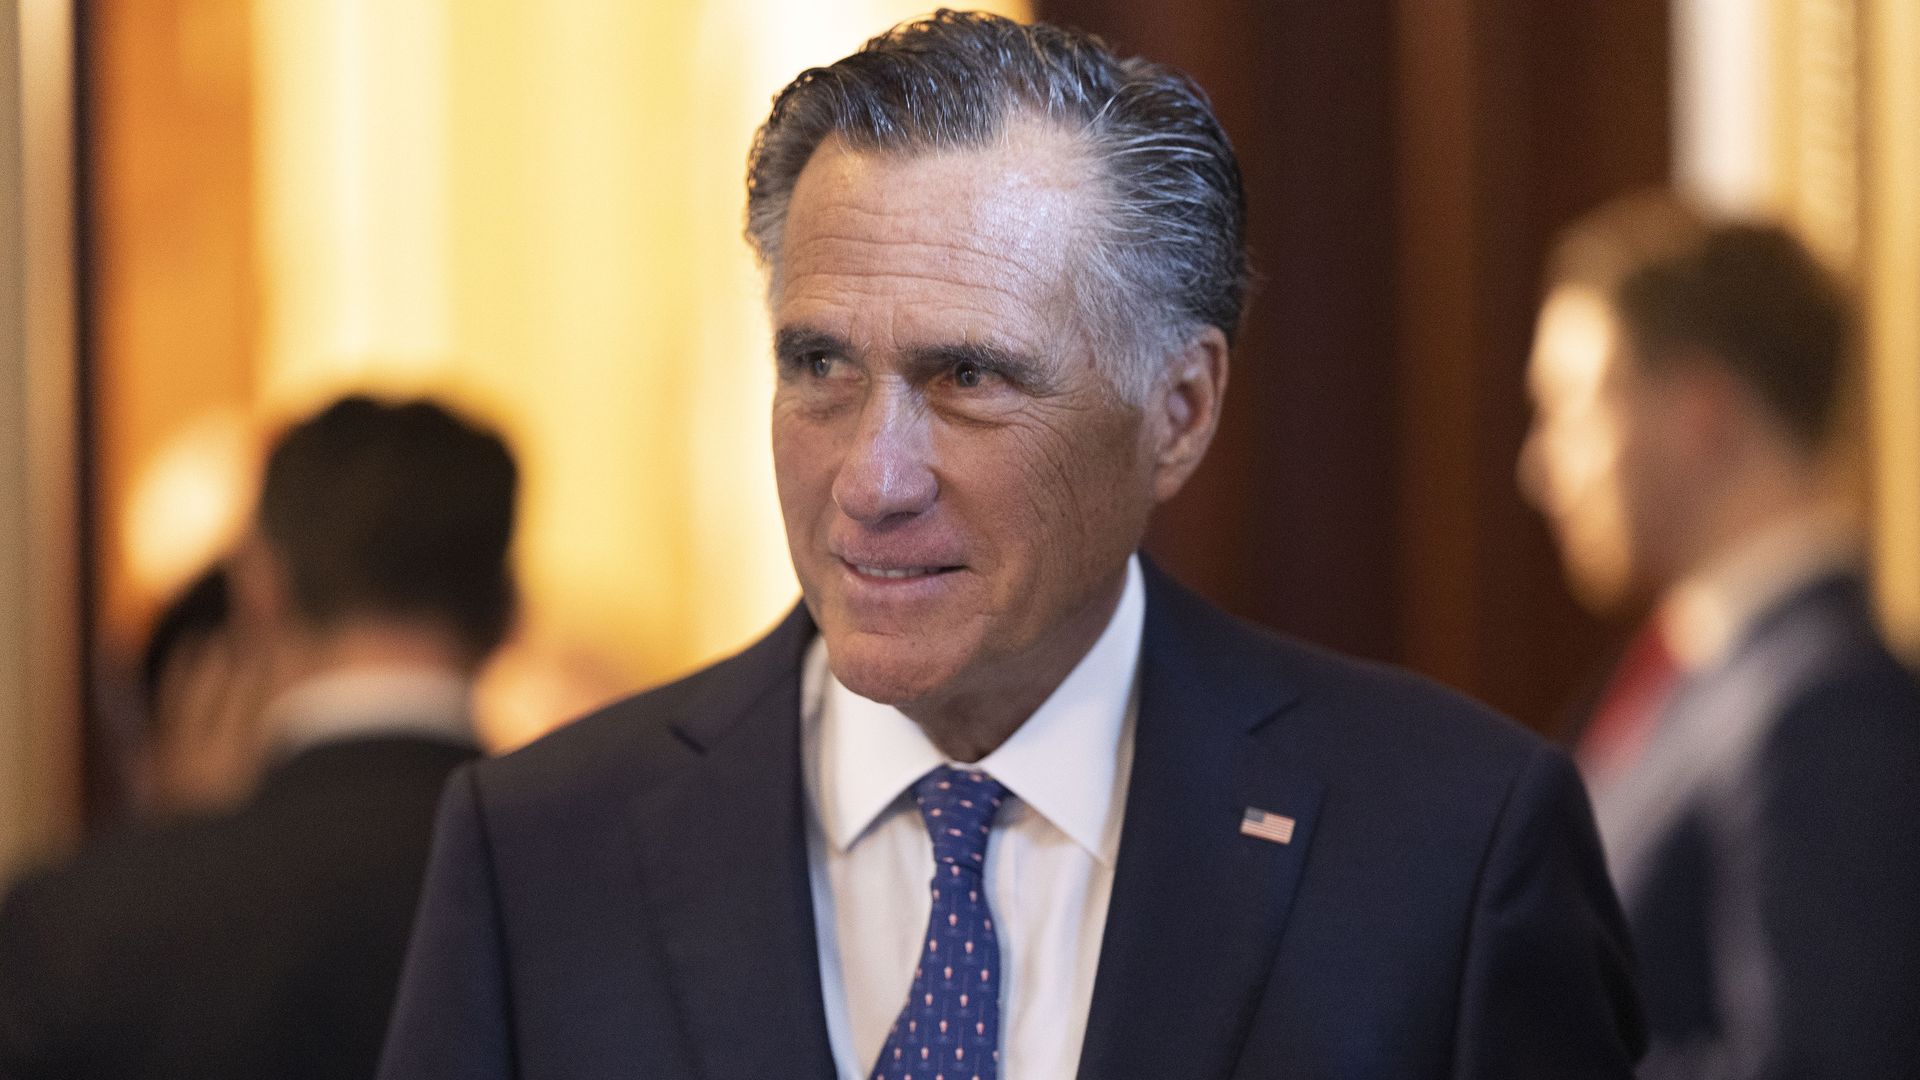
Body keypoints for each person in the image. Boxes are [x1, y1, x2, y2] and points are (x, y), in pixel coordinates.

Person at [380, 13, 1643, 1079]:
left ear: (1180, 411)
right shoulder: (542, 855)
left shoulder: (1448, 850)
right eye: (819, 365)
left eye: (969, 377)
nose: (871, 481)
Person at [0, 395, 519, 1080]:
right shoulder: (595, 884)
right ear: (508, 606)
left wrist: (173, 855)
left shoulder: (80, 925)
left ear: (260, 584)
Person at [1520, 192, 1920, 1078]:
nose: (1542, 468)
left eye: (1573, 407)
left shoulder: (1832, 710)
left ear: (1700, 413)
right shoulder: (1701, 675)